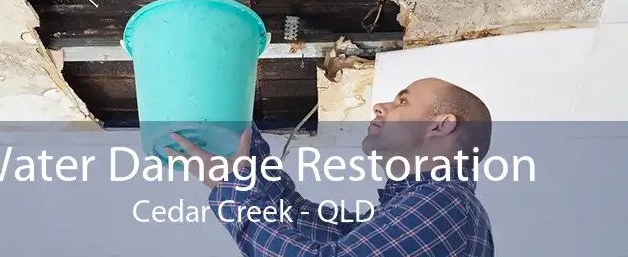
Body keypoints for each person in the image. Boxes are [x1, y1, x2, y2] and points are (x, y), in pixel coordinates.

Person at [166, 77, 495, 256]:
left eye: (403, 101)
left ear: (440, 125)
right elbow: (292, 214)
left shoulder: (445, 203)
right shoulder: (419, 206)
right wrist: (237, 125)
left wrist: (233, 188)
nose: (380, 106)